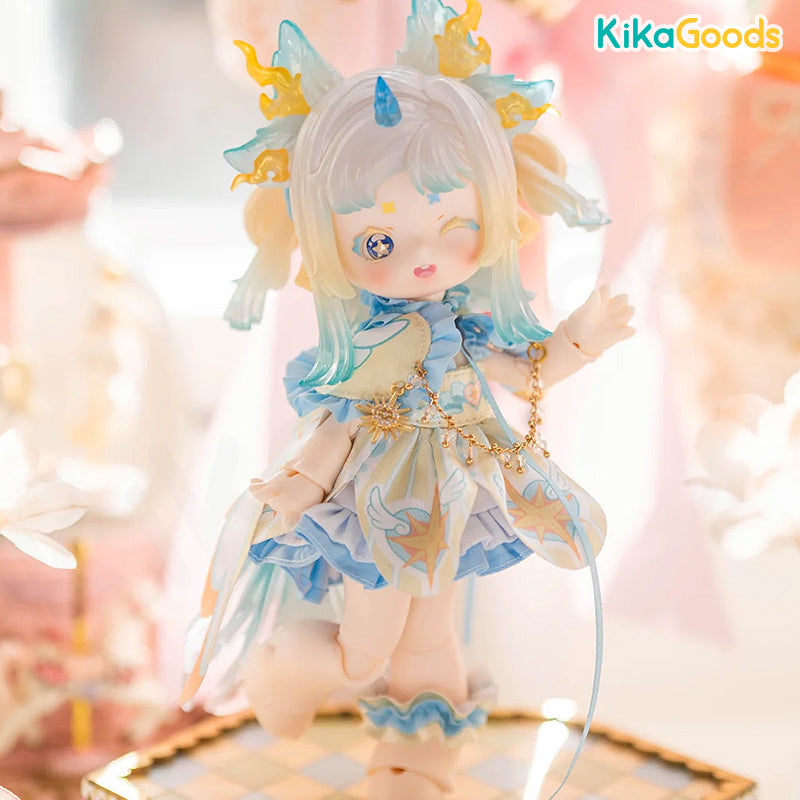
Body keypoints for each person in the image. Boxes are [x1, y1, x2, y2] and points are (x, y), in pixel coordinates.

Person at [182, 2, 634, 797]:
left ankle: (413, 766)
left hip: (453, 502)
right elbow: (337, 420)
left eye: (454, 225)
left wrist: (584, 337)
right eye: (380, 242)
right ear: (328, 239)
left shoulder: (464, 325)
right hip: (380, 508)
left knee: (433, 643)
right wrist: (298, 484)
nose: (423, 259)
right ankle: (283, 665)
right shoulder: (371, 345)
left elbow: (527, 372)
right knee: (367, 648)